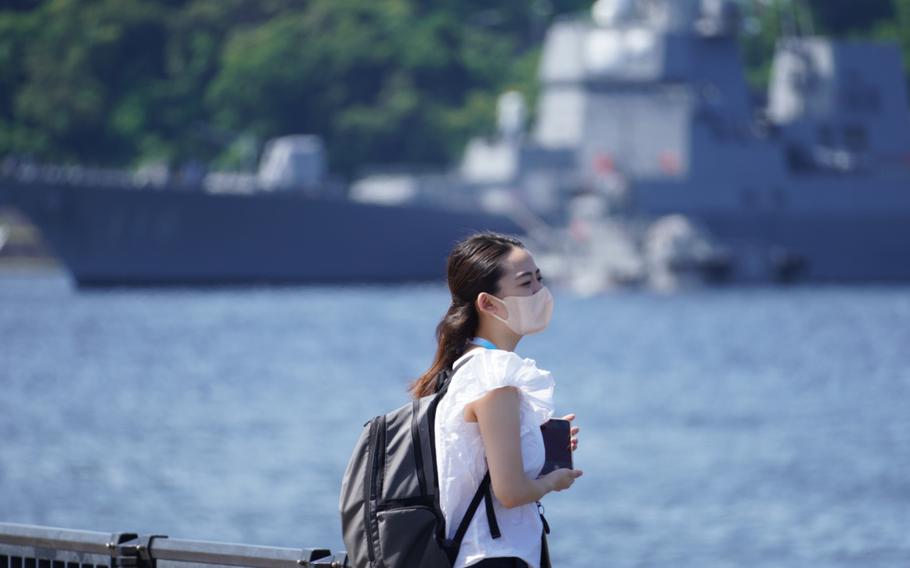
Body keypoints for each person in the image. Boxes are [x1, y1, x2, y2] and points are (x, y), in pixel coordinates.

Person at [410, 232, 583, 568]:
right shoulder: (496, 377)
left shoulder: (467, 368)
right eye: (525, 284)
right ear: (488, 303)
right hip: (494, 557)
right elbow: (511, 492)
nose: (540, 293)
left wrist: (539, 446)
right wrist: (553, 481)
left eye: (539, 279)